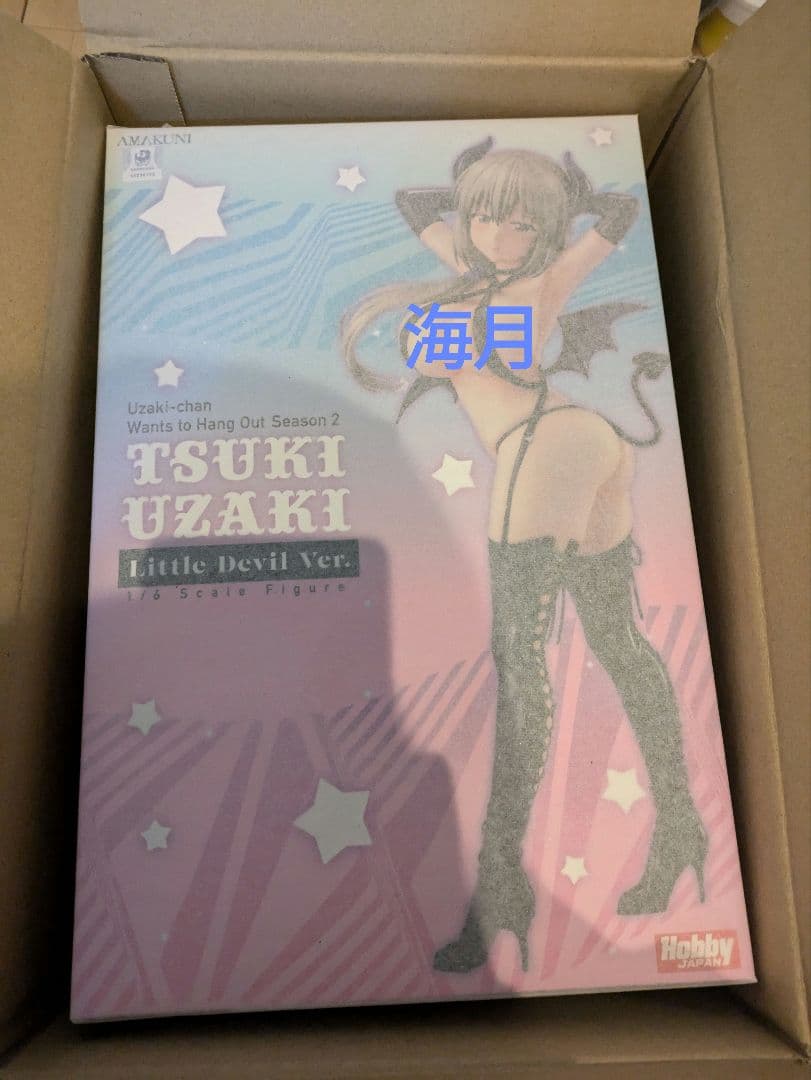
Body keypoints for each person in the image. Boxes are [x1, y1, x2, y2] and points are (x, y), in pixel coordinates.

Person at [340, 137, 707, 974]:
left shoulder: (546, 277)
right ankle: (680, 829)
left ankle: (502, 887)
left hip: (545, 447)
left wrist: (561, 201)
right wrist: (485, 190)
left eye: (521, 224)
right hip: (583, 445)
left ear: (545, 231)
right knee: (616, 641)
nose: (499, 235)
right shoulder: (468, 266)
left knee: (521, 660)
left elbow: (618, 212)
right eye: (485, 218)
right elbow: (414, 205)